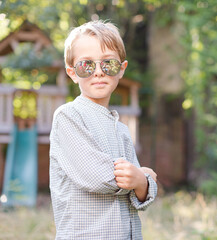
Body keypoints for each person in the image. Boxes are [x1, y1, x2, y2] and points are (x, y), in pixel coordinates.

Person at [49, 20, 157, 240]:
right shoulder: (68, 116)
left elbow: (140, 197)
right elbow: (97, 177)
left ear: (121, 69)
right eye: (86, 65)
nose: (98, 72)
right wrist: (144, 176)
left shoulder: (122, 130)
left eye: (109, 64)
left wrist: (142, 183)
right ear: (72, 72)